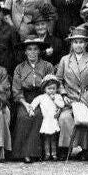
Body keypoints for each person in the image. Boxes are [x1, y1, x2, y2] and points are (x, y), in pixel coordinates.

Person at [55, 28, 88, 159]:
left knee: (86, 118)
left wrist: (87, 98)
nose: (78, 45)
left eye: (81, 42)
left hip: (87, 98)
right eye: (75, 42)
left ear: (86, 44)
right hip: (69, 99)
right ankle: (65, 148)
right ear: (71, 44)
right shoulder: (65, 60)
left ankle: (85, 149)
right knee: (65, 117)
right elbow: (58, 81)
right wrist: (64, 95)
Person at [10, 35, 55, 163]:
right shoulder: (19, 68)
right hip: (25, 98)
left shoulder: (47, 66)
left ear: (40, 51)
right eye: (29, 49)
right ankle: (24, 153)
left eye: (35, 49)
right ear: (25, 52)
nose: (32, 52)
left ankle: (38, 152)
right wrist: (25, 104)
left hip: (43, 98)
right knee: (23, 116)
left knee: (39, 115)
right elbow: (16, 90)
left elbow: (52, 85)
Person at [31, 74, 65, 161]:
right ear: (44, 89)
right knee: (46, 139)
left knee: (53, 138)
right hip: (46, 121)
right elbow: (34, 103)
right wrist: (31, 110)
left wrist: (55, 100)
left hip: (53, 120)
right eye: (49, 89)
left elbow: (62, 105)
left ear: (56, 89)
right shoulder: (42, 97)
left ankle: (54, 154)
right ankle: (47, 154)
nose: (51, 91)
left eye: (53, 89)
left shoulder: (57, 97)